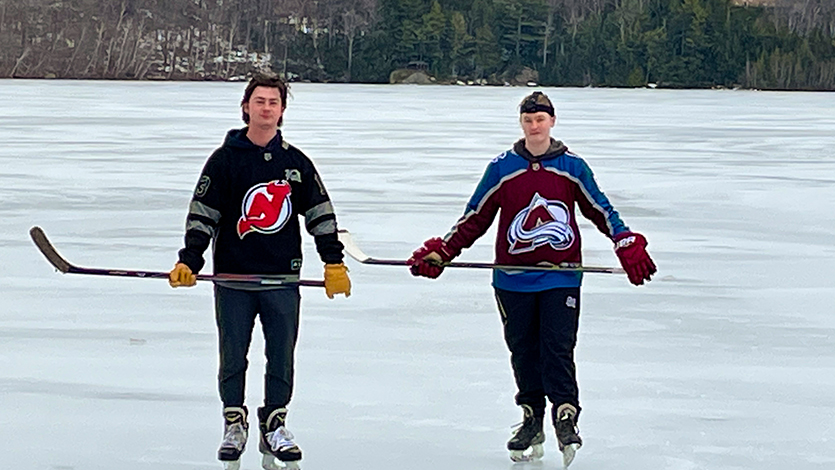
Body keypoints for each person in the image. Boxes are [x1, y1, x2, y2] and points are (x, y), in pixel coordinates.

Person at [407, 91, 656, 467]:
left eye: (540, 119)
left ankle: (566, 413)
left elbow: (601, 208)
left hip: (561, 277)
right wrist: (444, 251)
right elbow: (475, 216)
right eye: (528, 120)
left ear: (552, 122)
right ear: (521, 123)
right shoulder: (502, 167)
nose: (534, 126)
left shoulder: (572, 166)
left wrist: (624, 240)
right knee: (523, 351)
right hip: (512, 279)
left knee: (557, 346)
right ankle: (531, 417)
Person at [168, 74, 351, 470]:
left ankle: (275, 423)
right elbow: (203, 216)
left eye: (273, 102)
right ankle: (234, 421)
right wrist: (190, 259)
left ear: (282, 110)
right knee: (233, 355)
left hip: (282, 278)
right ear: (246, 107)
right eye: (259, 101)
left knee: (281, 355)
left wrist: (333, 261)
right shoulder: (225, 160)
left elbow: (321, 214)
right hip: (234, 278)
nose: (266, 108)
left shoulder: (296, 163)